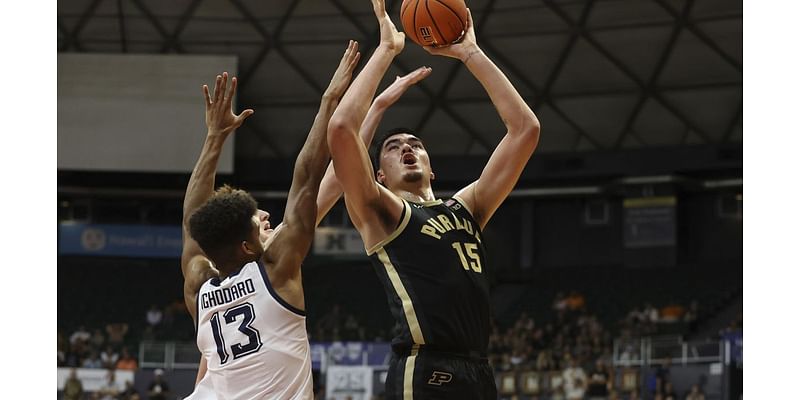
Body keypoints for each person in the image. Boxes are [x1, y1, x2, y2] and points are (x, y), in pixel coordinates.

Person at [326, 0, 540, 397]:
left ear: (431, 166)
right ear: (378, 176)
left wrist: (471, 53)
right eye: (393, 147)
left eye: (415, 144)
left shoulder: (467, 207)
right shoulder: (382, 213)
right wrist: (387, 51)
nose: (407, 148)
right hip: (423, 367)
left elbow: (525, 129)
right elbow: (341, 128)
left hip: (478, 369)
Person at [180, 41, 361, 399]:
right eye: (256, 219)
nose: (265, 216)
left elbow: (192, 222)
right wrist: (329, 101)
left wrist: (215, 138)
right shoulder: (274, 269)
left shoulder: (199, 287)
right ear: (247, 246)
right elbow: (307, 178)